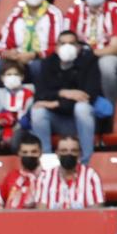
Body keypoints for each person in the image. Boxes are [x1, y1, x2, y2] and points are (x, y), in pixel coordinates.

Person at [29, 29, 99, 162]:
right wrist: (64, 93)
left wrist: (56, 102)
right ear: (56, 47)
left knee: (82, 107)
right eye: (63, 44)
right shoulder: (48, 63)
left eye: (72, 44)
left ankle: (87, 161)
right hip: (57, 118)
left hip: (81, 119)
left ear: (79, 47)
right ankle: (47, 161)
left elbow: (88, 95)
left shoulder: (89, 61)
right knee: (37, 111)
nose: (67, 47)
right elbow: (41, 95)